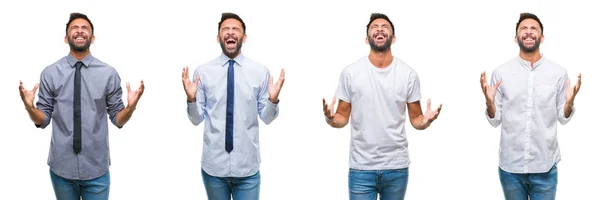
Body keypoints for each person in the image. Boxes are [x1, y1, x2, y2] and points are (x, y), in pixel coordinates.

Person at [18, 12, 145, 200]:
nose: (79, 31)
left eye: (85, 28)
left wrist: (130, 107)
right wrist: (29, 108)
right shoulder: (50, 73)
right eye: (74, 28)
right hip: (61, 168)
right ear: (66, 37)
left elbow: (118, 119)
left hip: (96, 169)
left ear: (92, 38)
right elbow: (43, 120)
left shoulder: (108, 74)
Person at [322, 13, 442, 200]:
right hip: (361, 168)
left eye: (385, 27)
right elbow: (342, 117)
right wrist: (331, 118)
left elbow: (416, 119)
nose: (379, 29)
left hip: (396, 167)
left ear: (393, 38)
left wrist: (425, 121)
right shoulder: (351, 73)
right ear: (367, 38)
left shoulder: (408, 74)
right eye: (374, 27)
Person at [182, 12, 285, 200]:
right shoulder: (203, 73)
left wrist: (273, 99)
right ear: (218, 37)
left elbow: (267, 118)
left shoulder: (260, 72)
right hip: (214, 168)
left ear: (244, 38)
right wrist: (191, 99)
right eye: (225, 29)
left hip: (247, 169)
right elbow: (196, 119)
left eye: (235, 29)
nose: (230, 33)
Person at [480, 12, 581, 200]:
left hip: (545, 166)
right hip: (511, 168)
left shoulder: (558, 73)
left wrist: (569, 102)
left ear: (541, 38)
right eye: (523, 29)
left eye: (533, 28)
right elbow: (495, 120)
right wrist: (489, 102)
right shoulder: (501, 73)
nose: (528, 32)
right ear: (516, 37)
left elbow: (563, 117)